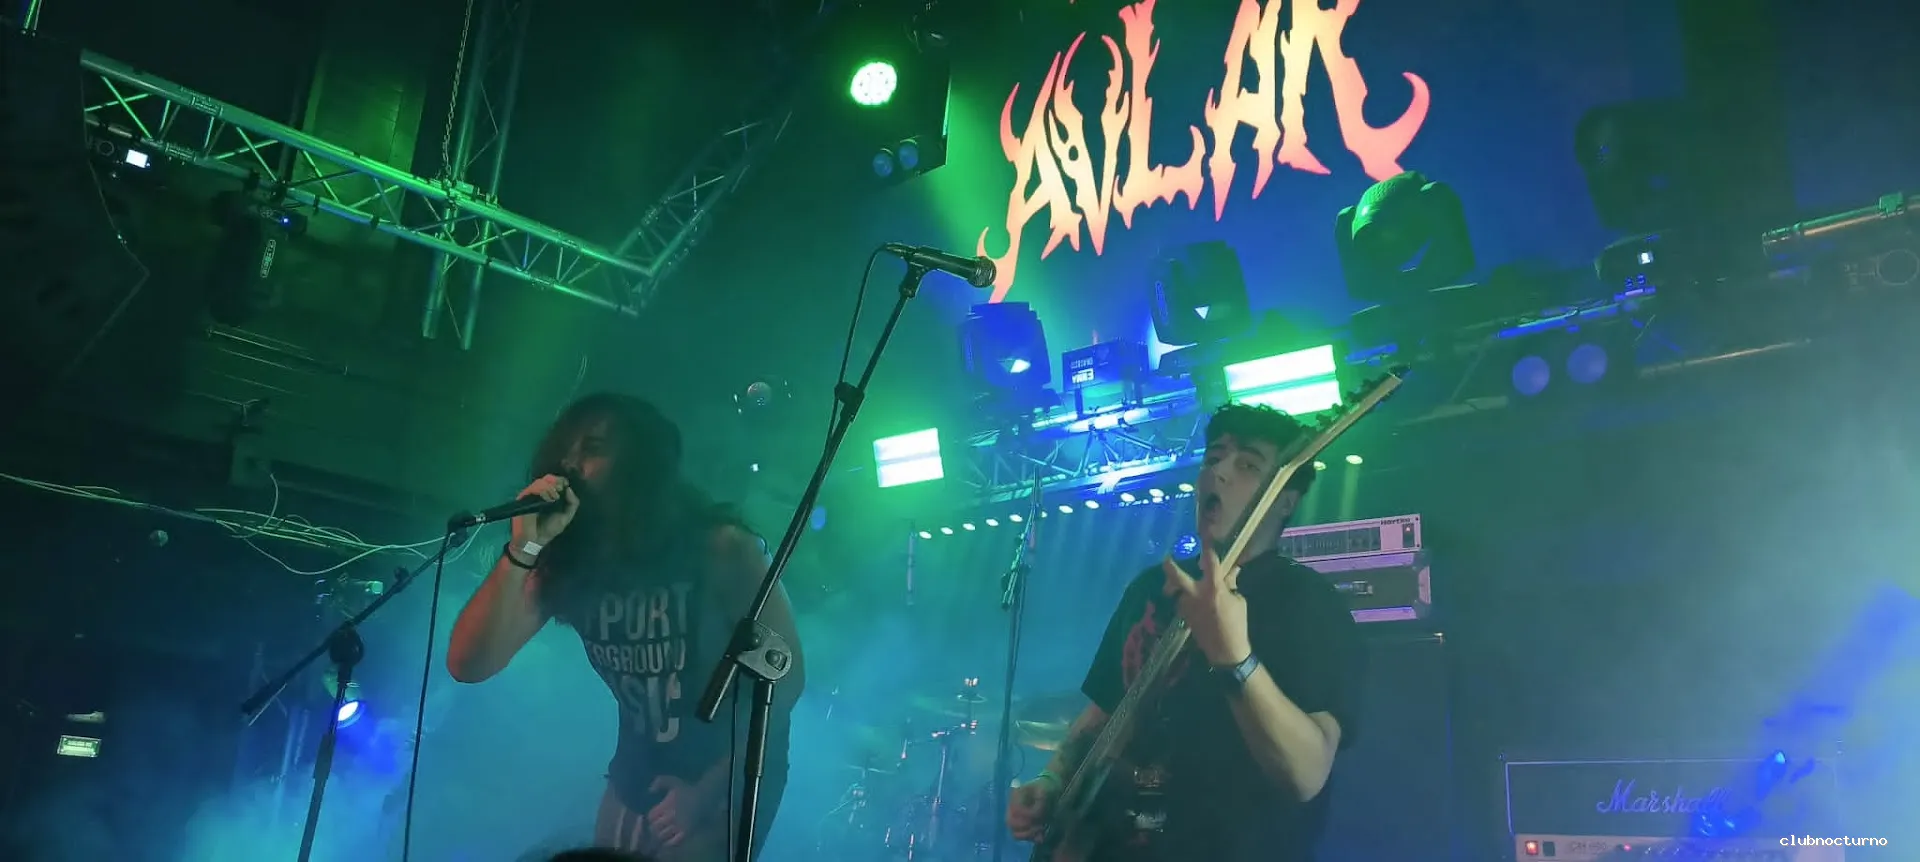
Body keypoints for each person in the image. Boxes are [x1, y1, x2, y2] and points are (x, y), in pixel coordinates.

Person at [447, 393, 806, 861]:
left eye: (593, 448)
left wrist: (704, 794)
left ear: (641, 464)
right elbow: (468, 664)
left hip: (728, 775)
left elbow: (785, 685)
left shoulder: (720, 550)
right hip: (636, 774)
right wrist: (524, 548)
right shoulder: (570, 562)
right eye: (564, 450)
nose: (569, 464)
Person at [1005, 403, 1366, 862]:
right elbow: (1102, 714)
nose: (1219, 472)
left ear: (1285, 500)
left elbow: (1307, 773)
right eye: (1213, 458)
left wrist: (1236, 659)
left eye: (1248, 465)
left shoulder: (1309, 603)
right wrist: (1053, 779)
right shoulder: (1152, 587)